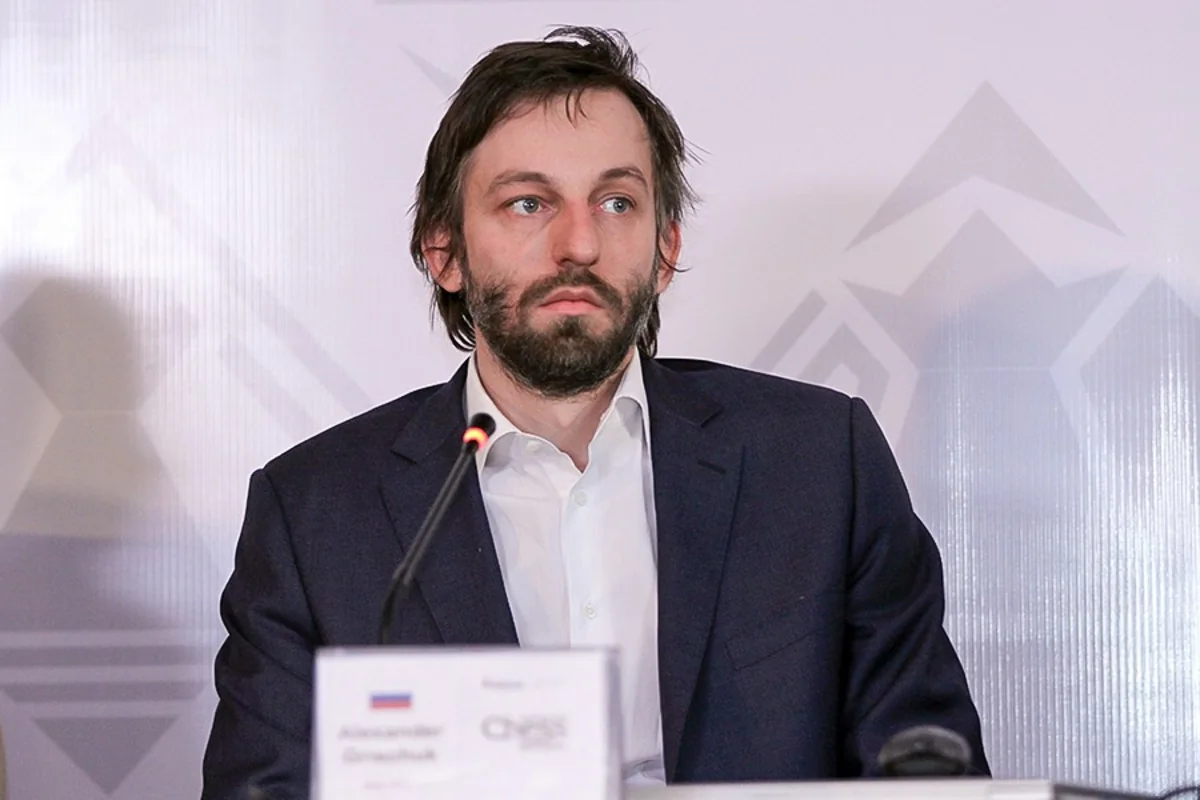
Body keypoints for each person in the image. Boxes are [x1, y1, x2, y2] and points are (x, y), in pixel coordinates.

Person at [202, 25, 988, 798]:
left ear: (666, 248)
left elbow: (930, 771)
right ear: (444, 252)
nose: (578, 244)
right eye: (527, 203)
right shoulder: (317, 514)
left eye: (617, 202)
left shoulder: (817, 464)